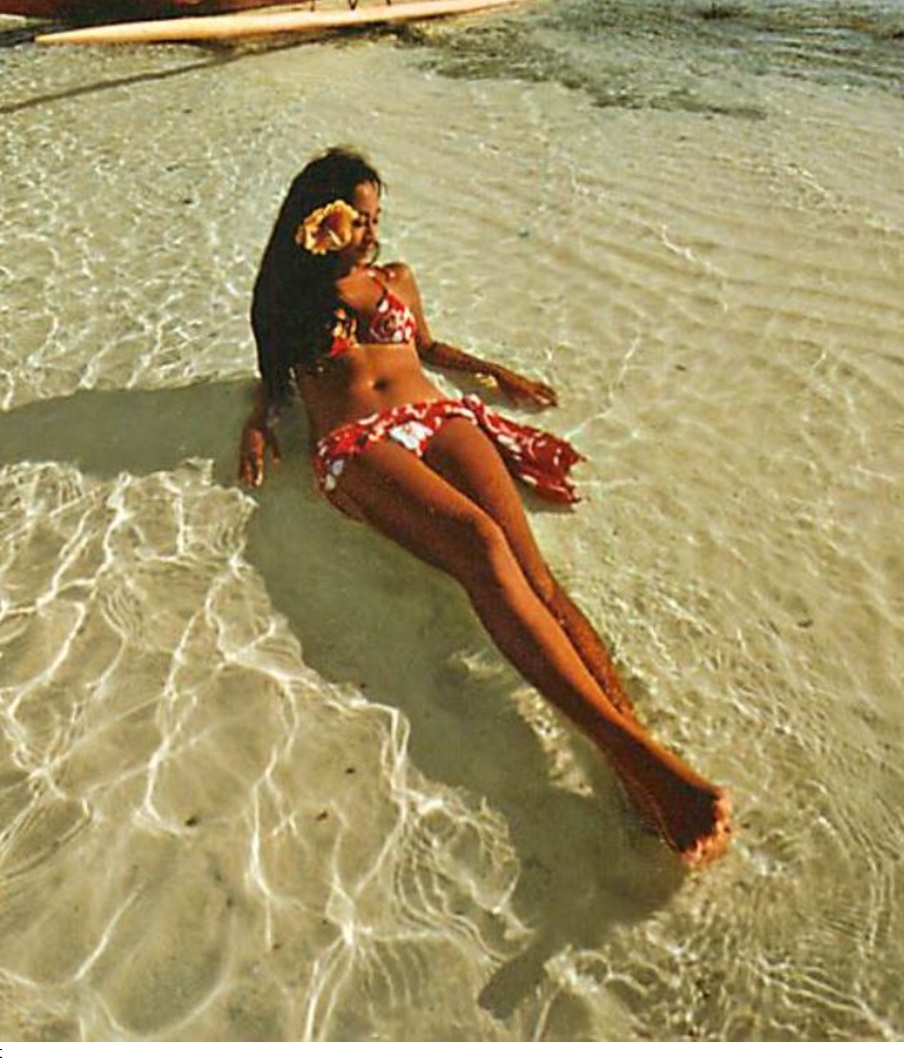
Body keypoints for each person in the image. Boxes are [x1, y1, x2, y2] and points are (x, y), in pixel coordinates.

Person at [238, 147, 732, 865]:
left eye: (376, 219)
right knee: (479, 546)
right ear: (319, 220)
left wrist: (495, 372)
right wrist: (257, 421)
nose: (369, 235)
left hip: (437, 418)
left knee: (535, 576)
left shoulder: (396, 279)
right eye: (355, 220)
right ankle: (645, 762)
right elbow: (270, 375)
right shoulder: (291, 298)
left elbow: (427, 347)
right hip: (357, 444)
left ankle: (638, 758)